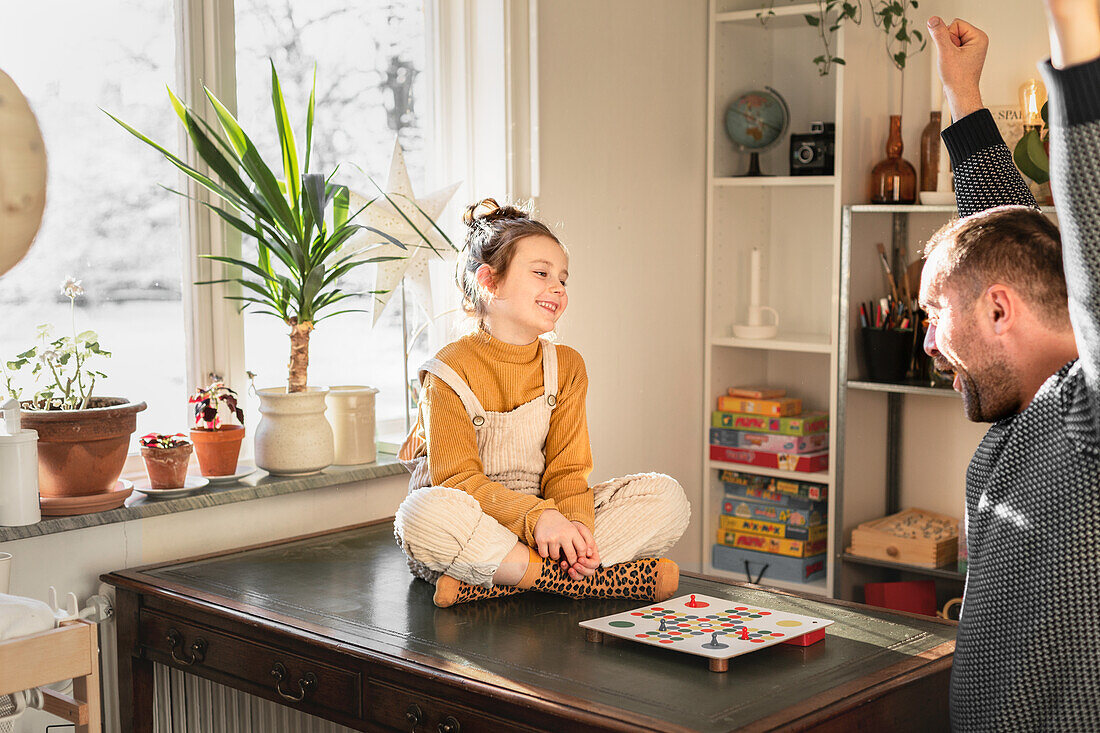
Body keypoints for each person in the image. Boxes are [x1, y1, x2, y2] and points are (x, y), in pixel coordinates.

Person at [921, 4, 1100, 729]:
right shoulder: (1031, 411)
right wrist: (965, 97)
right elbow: (1010, 246)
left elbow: (1089, 238)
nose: (930, 343)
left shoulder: (1085, 418)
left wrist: (1076, 34)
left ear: (997, 312)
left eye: (936, 314)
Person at [394, 199, 691, 608]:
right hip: (480, 521)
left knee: (667, 498)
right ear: (490, 281)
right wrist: (538, 520)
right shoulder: (446, 372)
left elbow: (568, 472)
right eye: (541, 274)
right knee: (420, 516)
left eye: (563, 279)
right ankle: (590, 580)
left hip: (547, 523)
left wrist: (575, 529)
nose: (558, 288)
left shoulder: (567, 366)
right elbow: (457, 482)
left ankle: (510, 577)